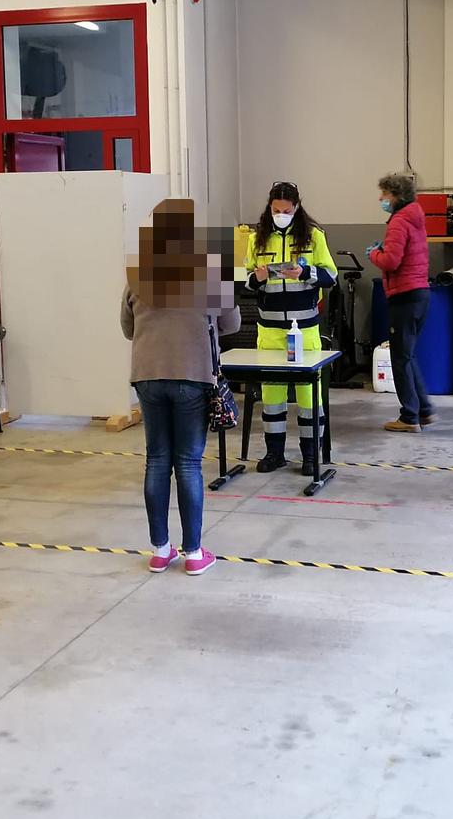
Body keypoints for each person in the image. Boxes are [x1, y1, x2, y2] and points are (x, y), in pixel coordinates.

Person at [121, 199, 240, 576]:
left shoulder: (138, 274)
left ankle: (160, 550)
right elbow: (232, 324)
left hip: (148, 375)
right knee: (188, 462)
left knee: (157, 459)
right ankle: (193, 553)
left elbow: (127, 328)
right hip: (192, 374)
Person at [244, 180, 338, 475]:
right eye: (276, 210)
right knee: (272, 397)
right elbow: (244, 280)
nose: (281, 215)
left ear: (296, 208)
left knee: (309, 397)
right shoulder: (256, 238)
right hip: (270, 331)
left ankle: (310, 455)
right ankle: (275, 453)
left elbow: (331, 276)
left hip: (305, 329)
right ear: (269, 208)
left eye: (286, 210)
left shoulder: (313, 236)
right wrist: (257, 278)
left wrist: (306, 272)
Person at [367, 172, 434, 432]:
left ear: (396, 195)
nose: (381, 199)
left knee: (400, 358)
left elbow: (391, 261)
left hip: (404, 296)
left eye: (384, 194)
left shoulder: (399, 221)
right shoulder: (415, 217)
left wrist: (374, 254)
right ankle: (424, 410)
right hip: (420, 294)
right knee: (408, 355)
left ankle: (409, 417)